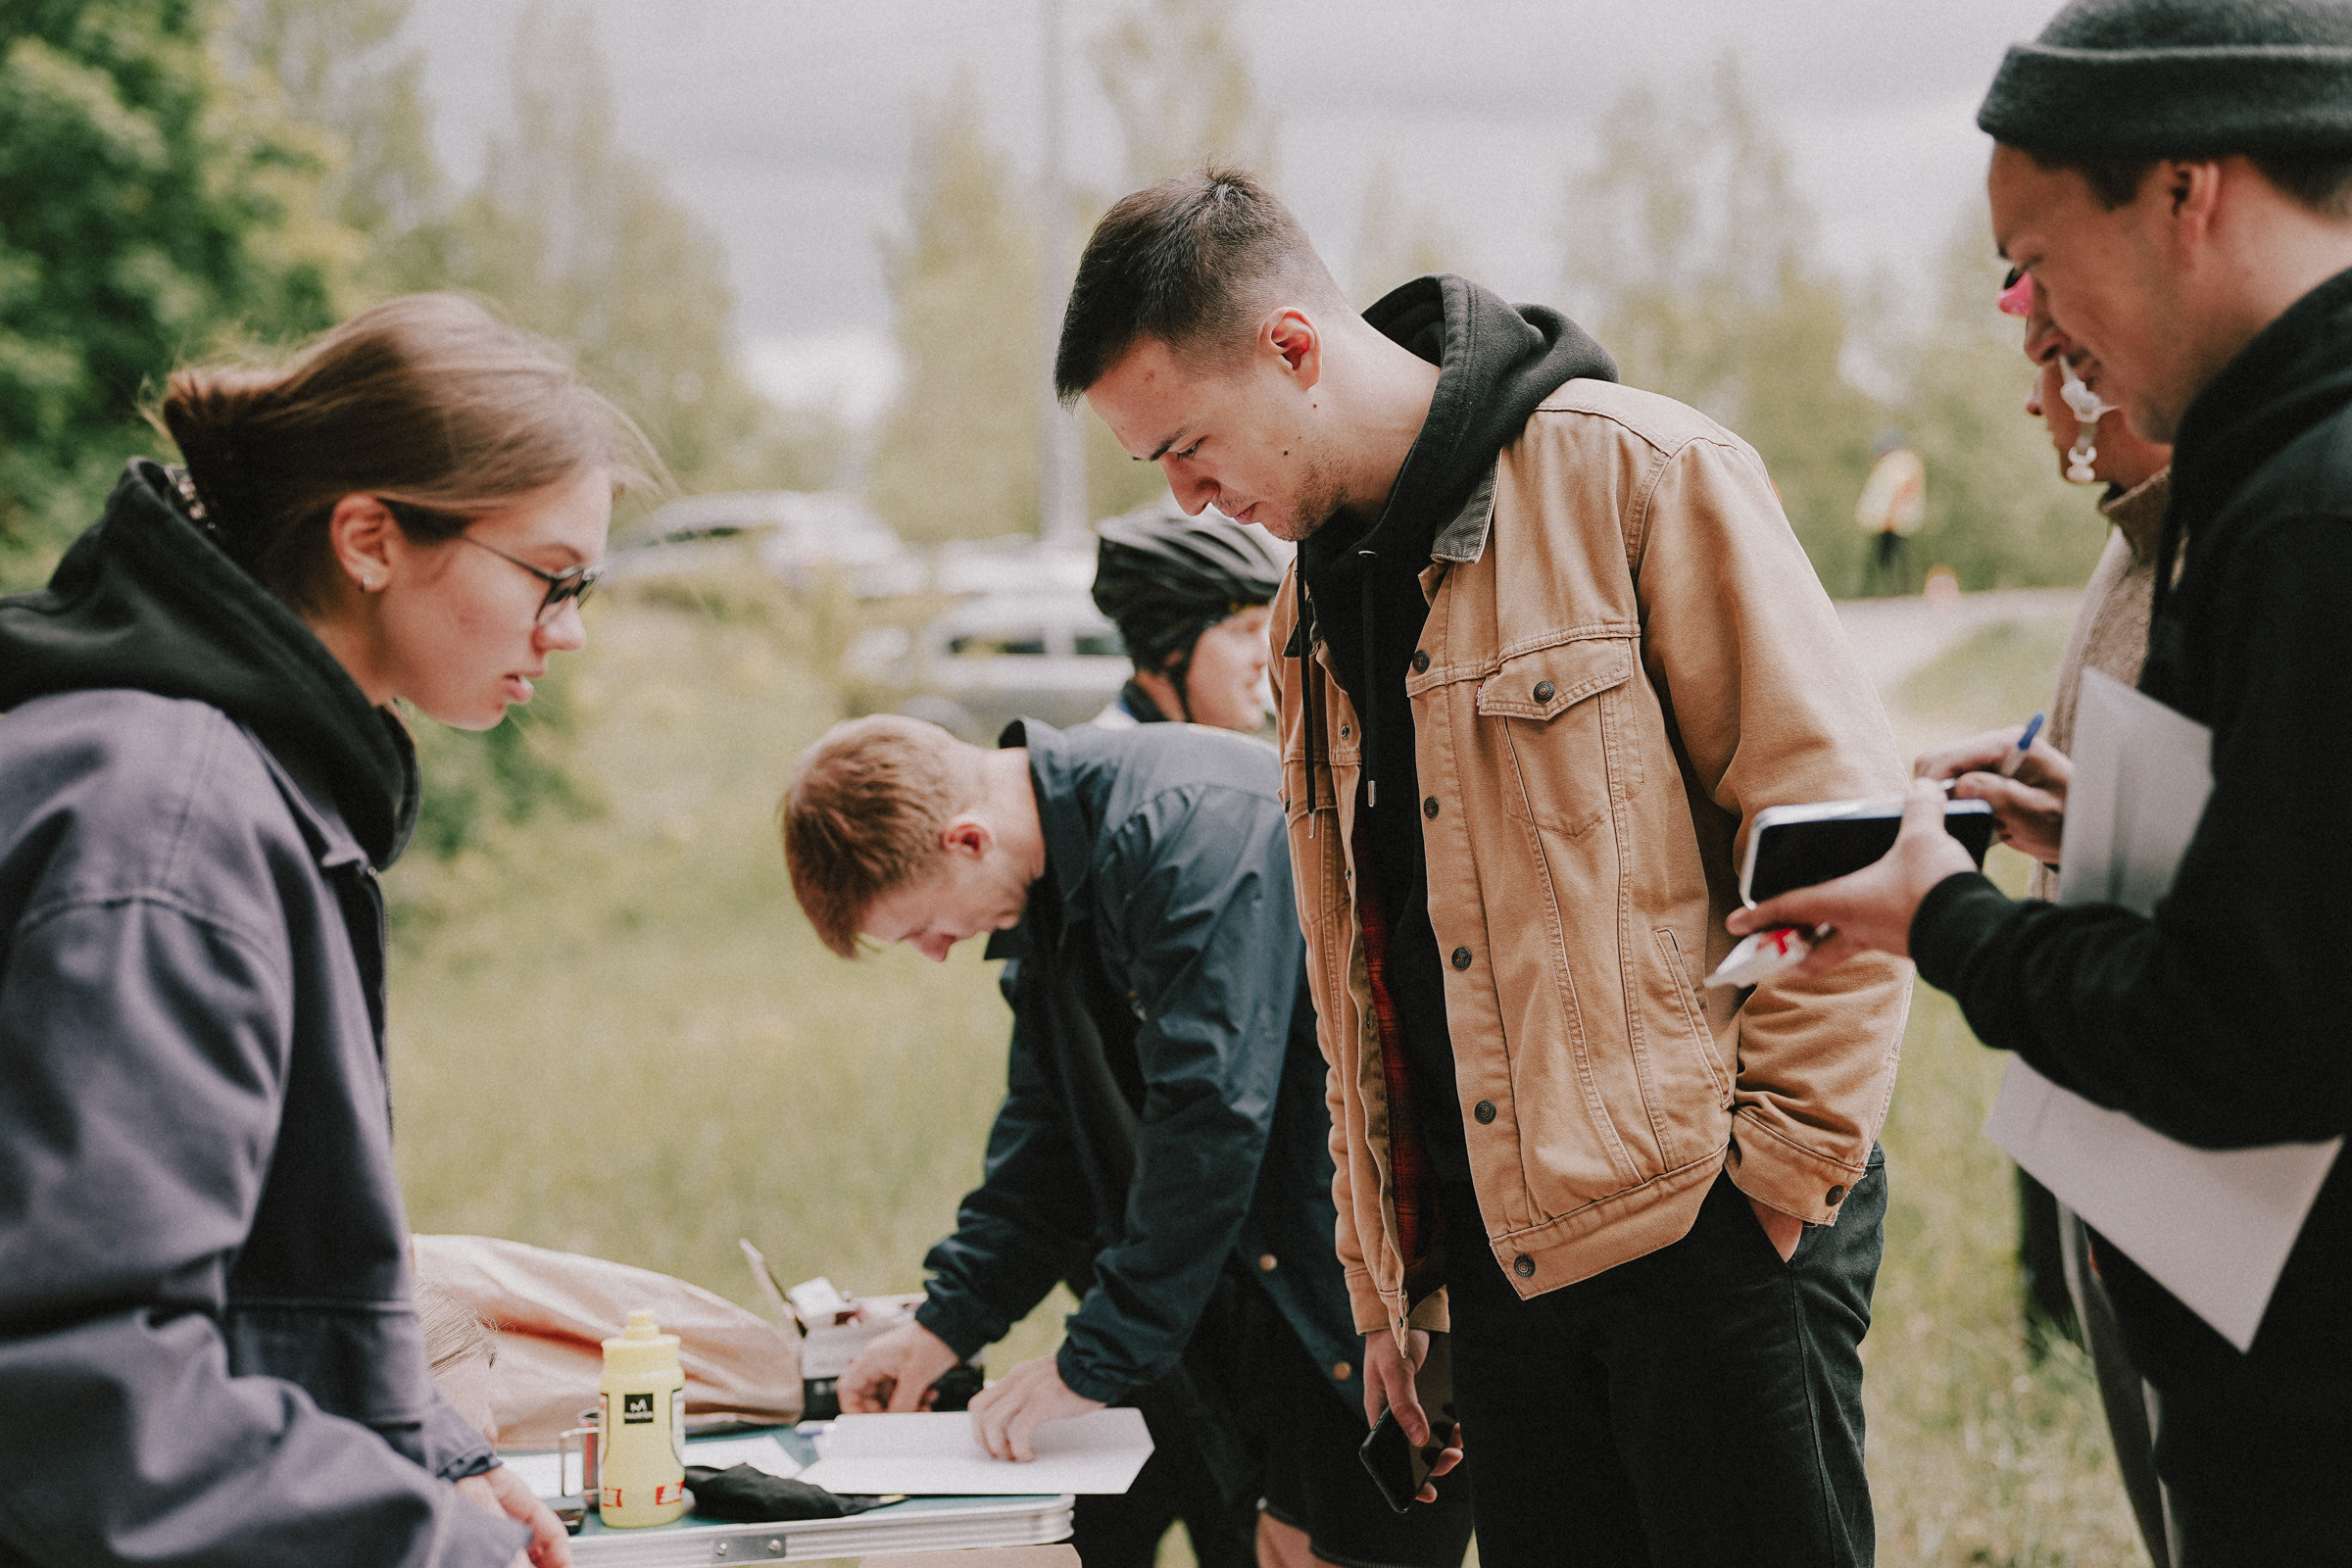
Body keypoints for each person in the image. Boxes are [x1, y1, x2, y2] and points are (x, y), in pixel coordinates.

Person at [1057, 171, 1913, 1568]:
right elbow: (1358, 973)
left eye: (1192, 446)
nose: (1190, 499)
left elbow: (1847, 833)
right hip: (1506, 1275)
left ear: (1291, 347)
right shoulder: (1303, 616)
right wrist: (1388, 1290)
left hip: (1713, 1245)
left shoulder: (1639, 474)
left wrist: (1774, 1190)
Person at [1736, 4, 2352, 1560]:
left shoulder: (2303, 514)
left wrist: (1945, 914)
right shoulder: (2282, 473)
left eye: (2038, 258)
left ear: (2184, 191)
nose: (2043, 322)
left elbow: (2250, 1038)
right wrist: (2139, 843)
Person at [0, 293, 628, 1568]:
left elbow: (262, 1288)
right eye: (551, 579)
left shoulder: (240, 781)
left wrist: (435, 1455)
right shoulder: (165, 826)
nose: (566, 631)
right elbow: (89, 1409)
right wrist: (437, 1549)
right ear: (369, 538)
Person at [780, 714, 1473, 1568]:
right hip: (1279, 1300)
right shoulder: (1045, 891)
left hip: (1386, 1294)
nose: (935, 952)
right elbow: (1050, 1147)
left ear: (966, 840)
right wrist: (946, 1324)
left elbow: (1211, 1119)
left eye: (922, 926)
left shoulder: (1187, 826)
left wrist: (1092, 1362)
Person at [1995, 256, 2180, 1564]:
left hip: (2185, 1129)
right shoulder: (2124, 550)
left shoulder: (2231, 546)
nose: (2039, 409)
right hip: (2092, 1108)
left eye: (2052, 371)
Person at [1089, 498, 1288, 731]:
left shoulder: (1209, 753)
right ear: (1167, 644)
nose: (1264, 658)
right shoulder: (1112, 762)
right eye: (1244, 631)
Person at [1854, 433, 1926, 597]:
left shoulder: (1898, 462)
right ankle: (1899, 592)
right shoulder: (1907, 461)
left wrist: (1891, 514)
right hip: (1896, 518)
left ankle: (1882, 592)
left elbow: (1900, 489)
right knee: (1893, 555)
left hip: (1890, 519)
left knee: (1887, 556)